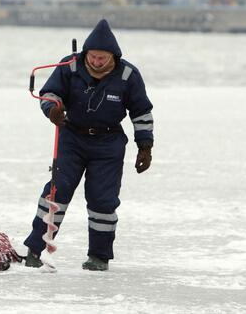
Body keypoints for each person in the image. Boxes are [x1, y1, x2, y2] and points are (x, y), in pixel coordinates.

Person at [24, 19, 154, 271]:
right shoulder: (69, 67)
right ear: (86, 53)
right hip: (71, 138)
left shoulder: (128, 75)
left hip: (108, 144)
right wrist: (52, 110)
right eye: (92, 57)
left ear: (113, 56)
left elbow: (142, 112)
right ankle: (35, 250)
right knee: (55, 194)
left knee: (102, 201)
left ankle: (99, 257)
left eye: (101, 58)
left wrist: (145, 146)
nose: (96, 62)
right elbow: (49, 93)